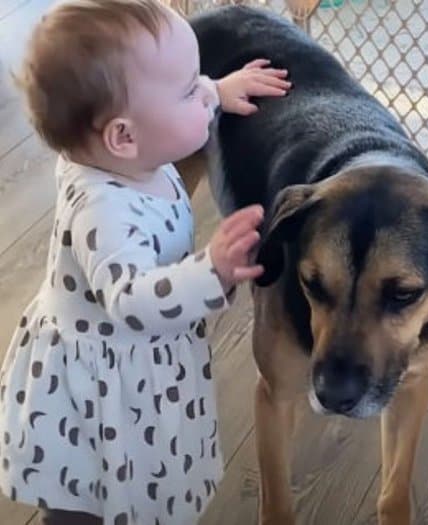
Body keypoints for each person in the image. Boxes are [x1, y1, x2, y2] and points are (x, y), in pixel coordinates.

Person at [0, 0, 291, 523]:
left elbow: (177, 104)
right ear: (124, 136)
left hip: (134, 364)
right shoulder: (103, 212)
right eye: (189, 89)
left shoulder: (120, 153)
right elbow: (131, 300)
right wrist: (210, 272)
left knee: (133, 482)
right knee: (87, 494)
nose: (202, 91)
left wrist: (218, 91)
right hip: (96, 391)